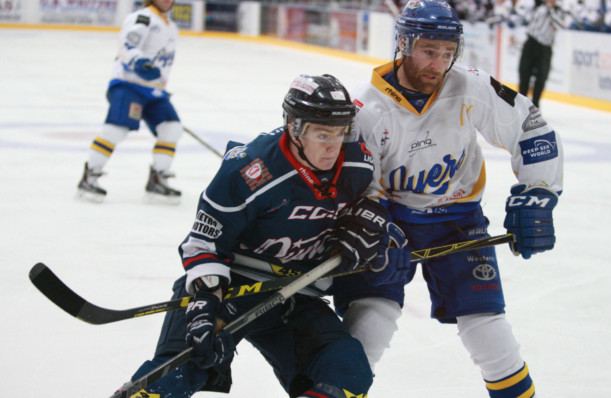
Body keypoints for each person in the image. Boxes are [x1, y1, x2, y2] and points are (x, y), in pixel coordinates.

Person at [117, 74, 411, 398]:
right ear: (294, 127)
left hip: (296, 295)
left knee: (347, 371)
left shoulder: (358, 162)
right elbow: (204, 243)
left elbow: (372, 203)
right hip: (234, 286)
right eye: (322, 134)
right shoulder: (248, 170)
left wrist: (374, 222)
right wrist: (206, 301)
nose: (333, 147)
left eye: (340, 133)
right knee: (177, 371)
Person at [331, 1, 564, 397]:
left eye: (446, 53)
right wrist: (366, 220)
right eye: (428, 51)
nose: (438, 63)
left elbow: (530, 128)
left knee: (487, 327)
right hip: (389, 222)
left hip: (457, 218)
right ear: (403, 44)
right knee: (370, 322)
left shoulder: (469, 85)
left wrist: (538, 190)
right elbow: (352, 185)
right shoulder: (366, 108)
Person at [77, 0, 183, 204]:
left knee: (172, 129)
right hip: (129, 86)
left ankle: (157, 180)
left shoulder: (170, 25)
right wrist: (138, 62)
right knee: (115, 130)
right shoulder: (143, 18)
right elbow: (127, 46)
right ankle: (90, 176)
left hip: (154, 91)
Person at [517, 0, 566, 108]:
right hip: (531, 42)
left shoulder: (558, 10)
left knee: (541, 77)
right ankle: (521, 104)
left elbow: (559, 25)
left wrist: (550, 9)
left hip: (544, 47)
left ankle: (535, 106)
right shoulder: (537, 5)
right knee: (524, 73)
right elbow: (524, 17)